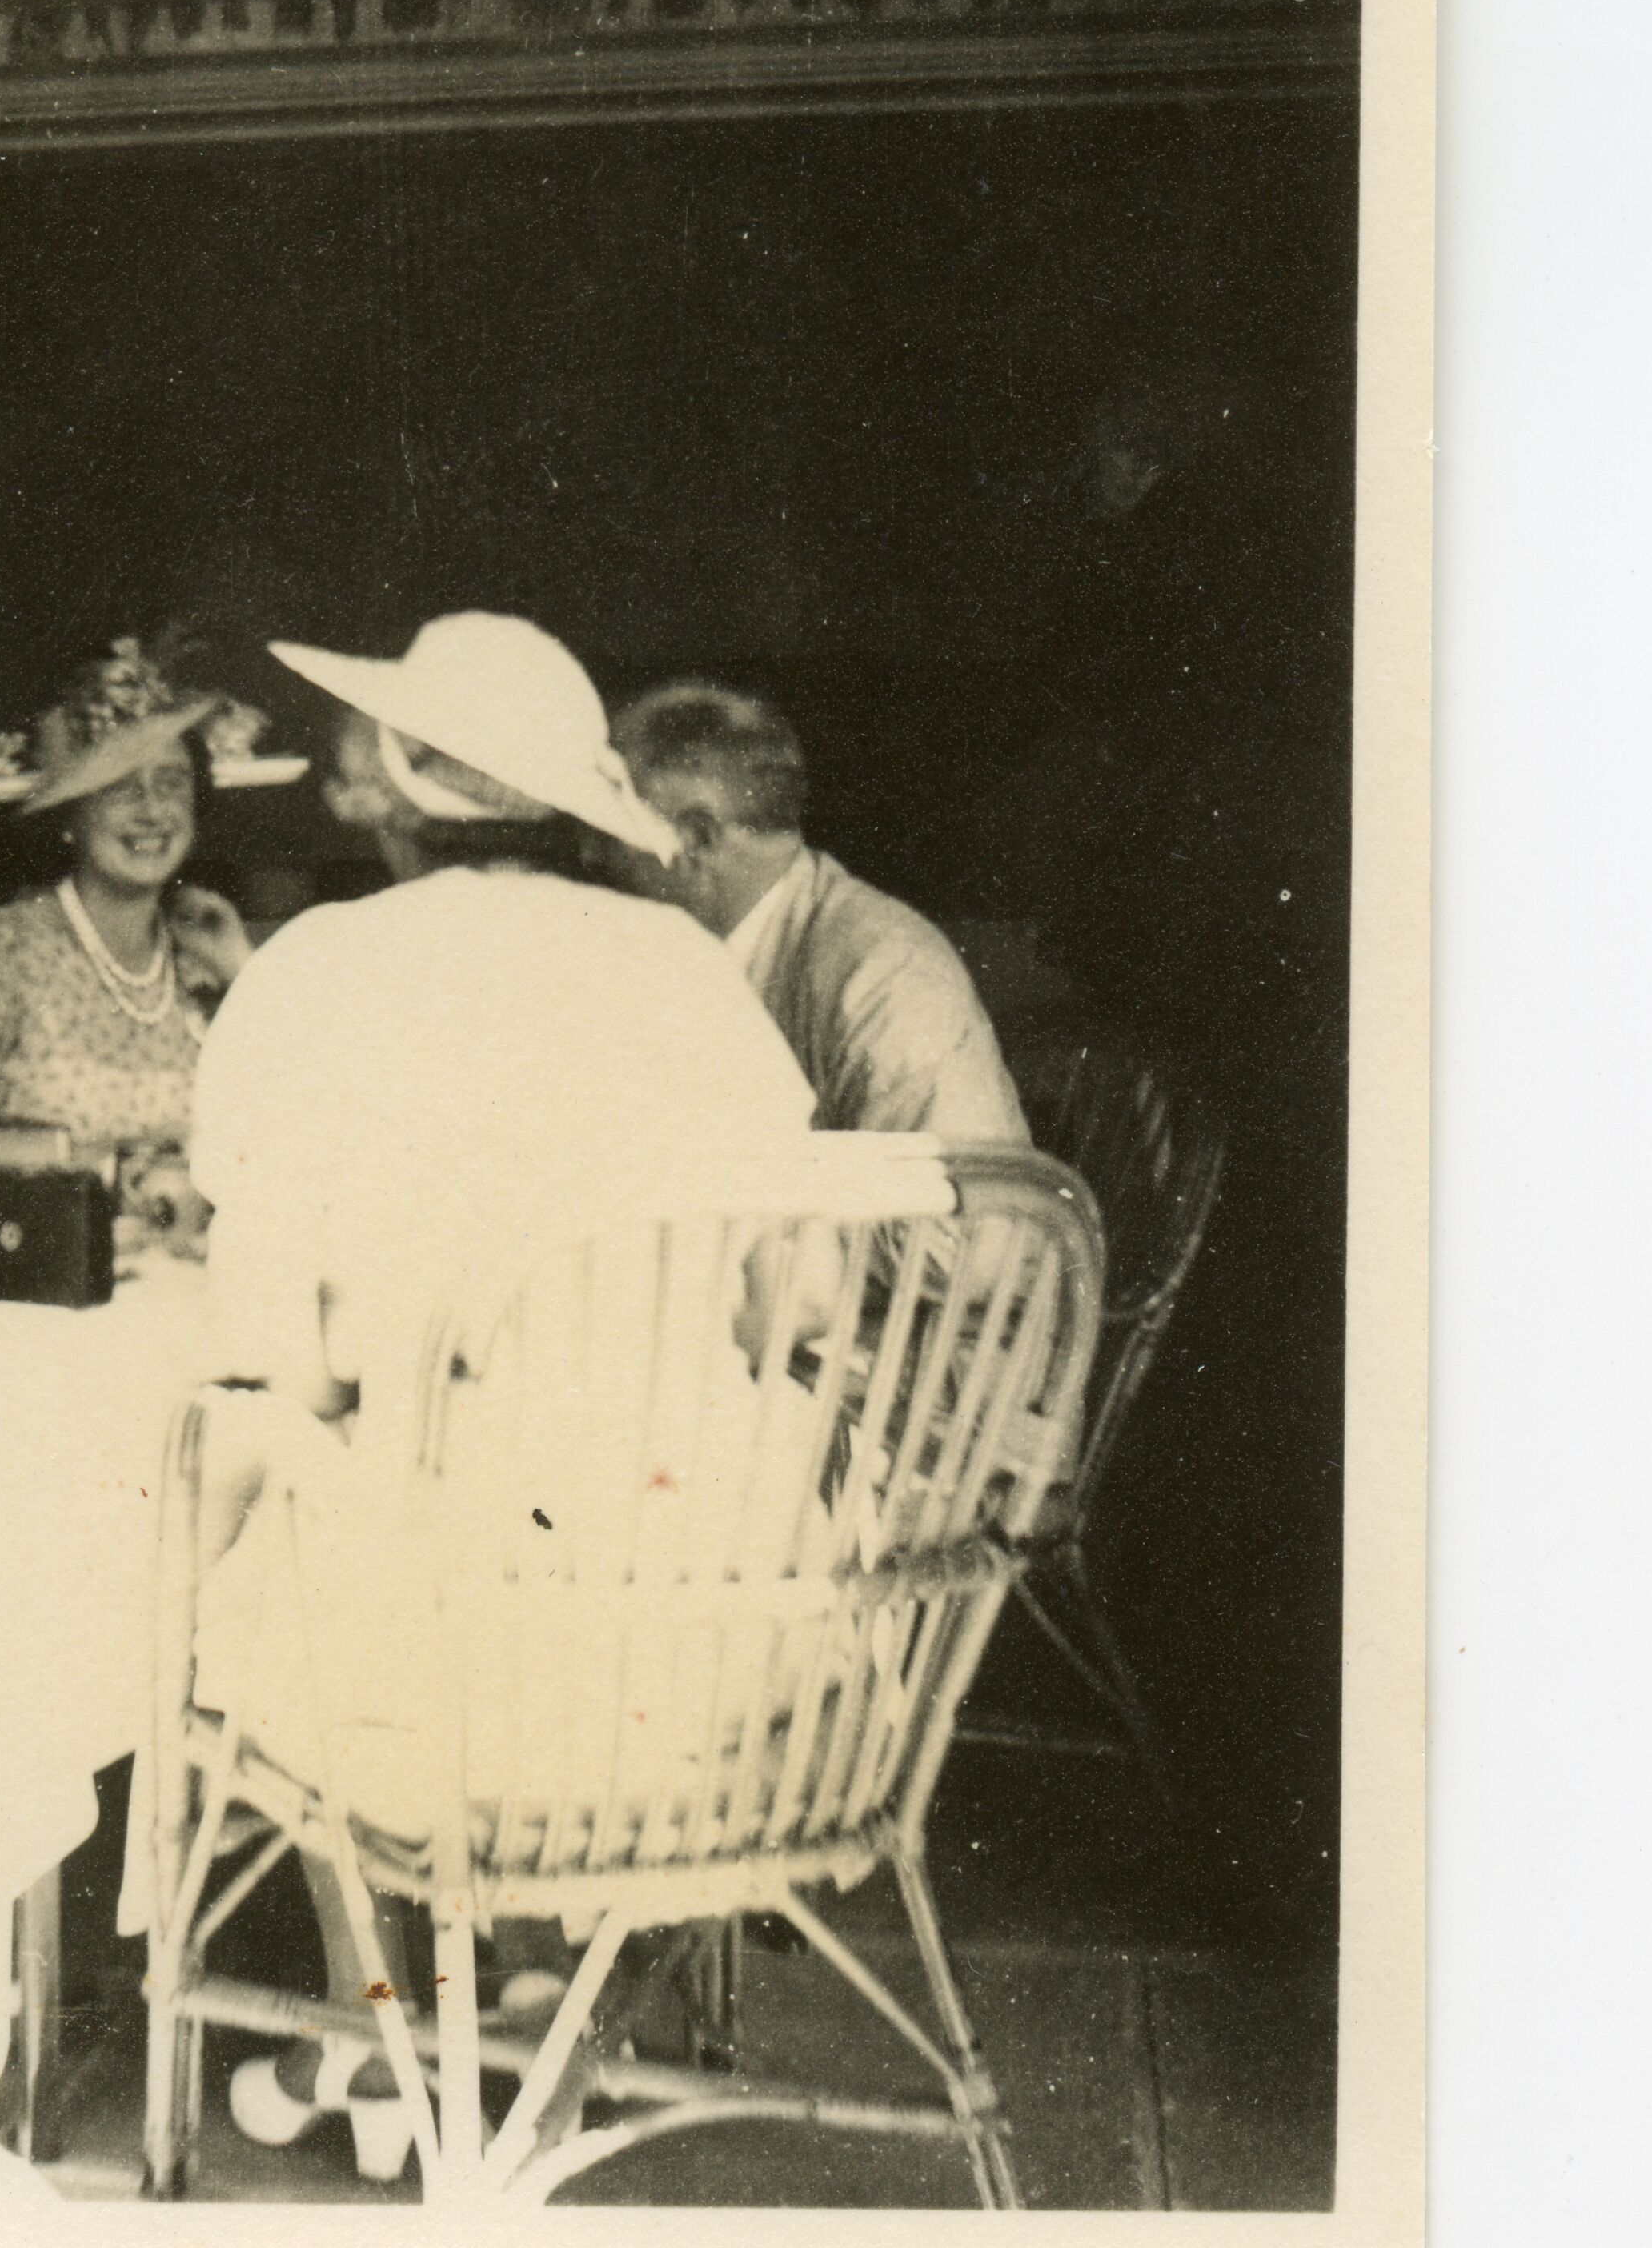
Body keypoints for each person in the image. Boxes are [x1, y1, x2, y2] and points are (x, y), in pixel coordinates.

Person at [192, 613, 824, 2158]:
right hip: (694, 1625)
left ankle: (372, 2019)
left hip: (429, 1643)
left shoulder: (324, 966)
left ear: (406, 784)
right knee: (551, 1481)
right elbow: (791, 1298)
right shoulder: (687, 972)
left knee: (291, 1485)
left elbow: (276, 1336)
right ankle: (549, 1986)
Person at [0, 638, 255, 1203]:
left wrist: (242, 971)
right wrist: (77, 1162)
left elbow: (307, 1124)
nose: (151, 809)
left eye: (171, 782)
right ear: (69, 816)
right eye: (120, 786)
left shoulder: (205, 958)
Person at [612, 680, 1029, 1147]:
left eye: (607, 832)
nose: (590, 854)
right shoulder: (667, 959)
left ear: (697, 838)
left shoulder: (887, 977)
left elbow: (965, 1191)